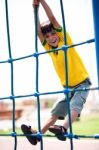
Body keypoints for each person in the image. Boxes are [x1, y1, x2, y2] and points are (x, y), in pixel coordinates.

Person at [21, 0, 91, 145]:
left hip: (82, 83)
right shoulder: (50, 50)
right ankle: (37, 135)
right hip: (67, 88)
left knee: (75, 106)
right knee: (55, 113)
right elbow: (38, 32)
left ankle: (64, 128)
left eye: (53, 33)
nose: (51, 37)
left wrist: (42, 2)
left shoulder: (65, 40)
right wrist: (35, 8)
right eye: (47, 36)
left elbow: (52, 19)